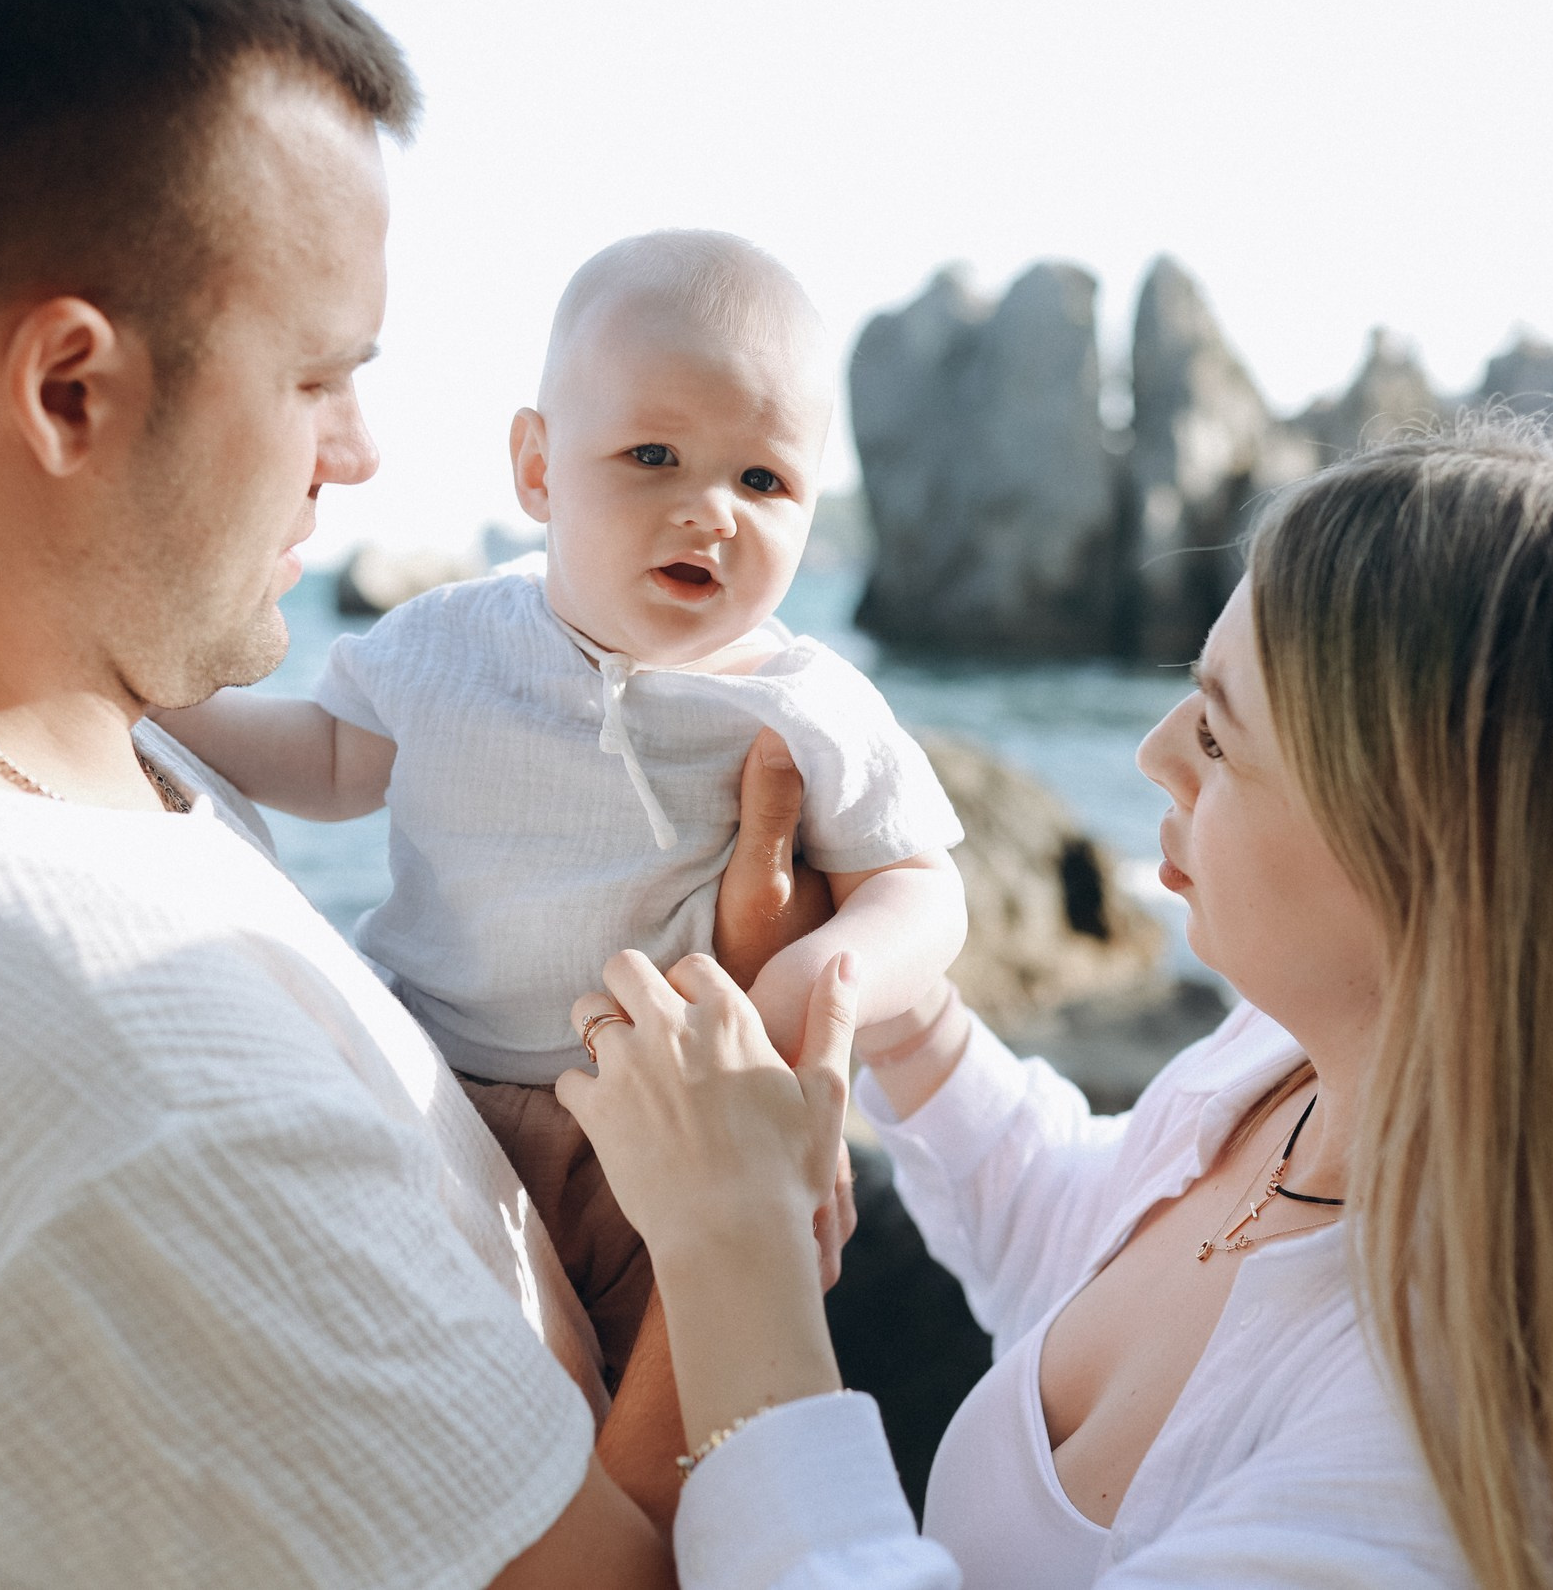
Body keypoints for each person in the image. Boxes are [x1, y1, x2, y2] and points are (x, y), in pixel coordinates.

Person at [0, 0, 843, 1583]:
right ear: (70, 388)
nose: (356, 453)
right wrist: (746, 1207)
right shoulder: (118, 1084)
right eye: (315, 377)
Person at [565, 425, 1553, 1589]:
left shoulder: (1461, 1449)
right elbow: (1073, 1228)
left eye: (1219, 733)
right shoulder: (1293, 1072)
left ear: (1443, 848)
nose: (1153, 754)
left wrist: (730, 1243)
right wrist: (893, 1010)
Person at [158, 229, 967, 1387]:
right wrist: (152, 702)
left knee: (671, 1414)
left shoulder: (806, 704)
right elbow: (333, 760)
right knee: (434, 1387)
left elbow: (923, 886)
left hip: (665, 1131)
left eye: (762, 480)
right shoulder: (453, 642)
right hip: (432, 1092)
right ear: (537, 468)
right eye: (653, 455)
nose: (711, 511)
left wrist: (823, 973)